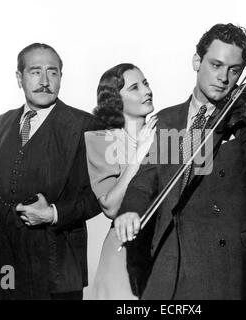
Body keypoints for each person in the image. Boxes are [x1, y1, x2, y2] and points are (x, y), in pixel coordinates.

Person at [115, 23, 246, 300]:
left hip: (228, 267)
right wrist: (130, 210)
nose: (224, 78)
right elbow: (148, 180)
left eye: (234, 70)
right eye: (216, 65)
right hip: (171, 261)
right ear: (197, 61)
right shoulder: (169, 120)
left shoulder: (244, 122)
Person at [0, 43, 101, 300]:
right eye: (35, 72)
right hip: (8, 261)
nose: (44, 81)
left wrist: (53, 214)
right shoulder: (3, 122)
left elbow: (102, 197)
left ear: (61, 77)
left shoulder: (87, 125)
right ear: (19, 78)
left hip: (58, 264)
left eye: (52, 72)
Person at [85, 63, 157, 299]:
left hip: (164, 249)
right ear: (116, 101)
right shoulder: (101, 140)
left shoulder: (167, 133)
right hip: (123, 251)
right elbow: (111, 206)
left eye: (145, 83)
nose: (147, 91)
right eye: (135, 87)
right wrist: (139, 155)